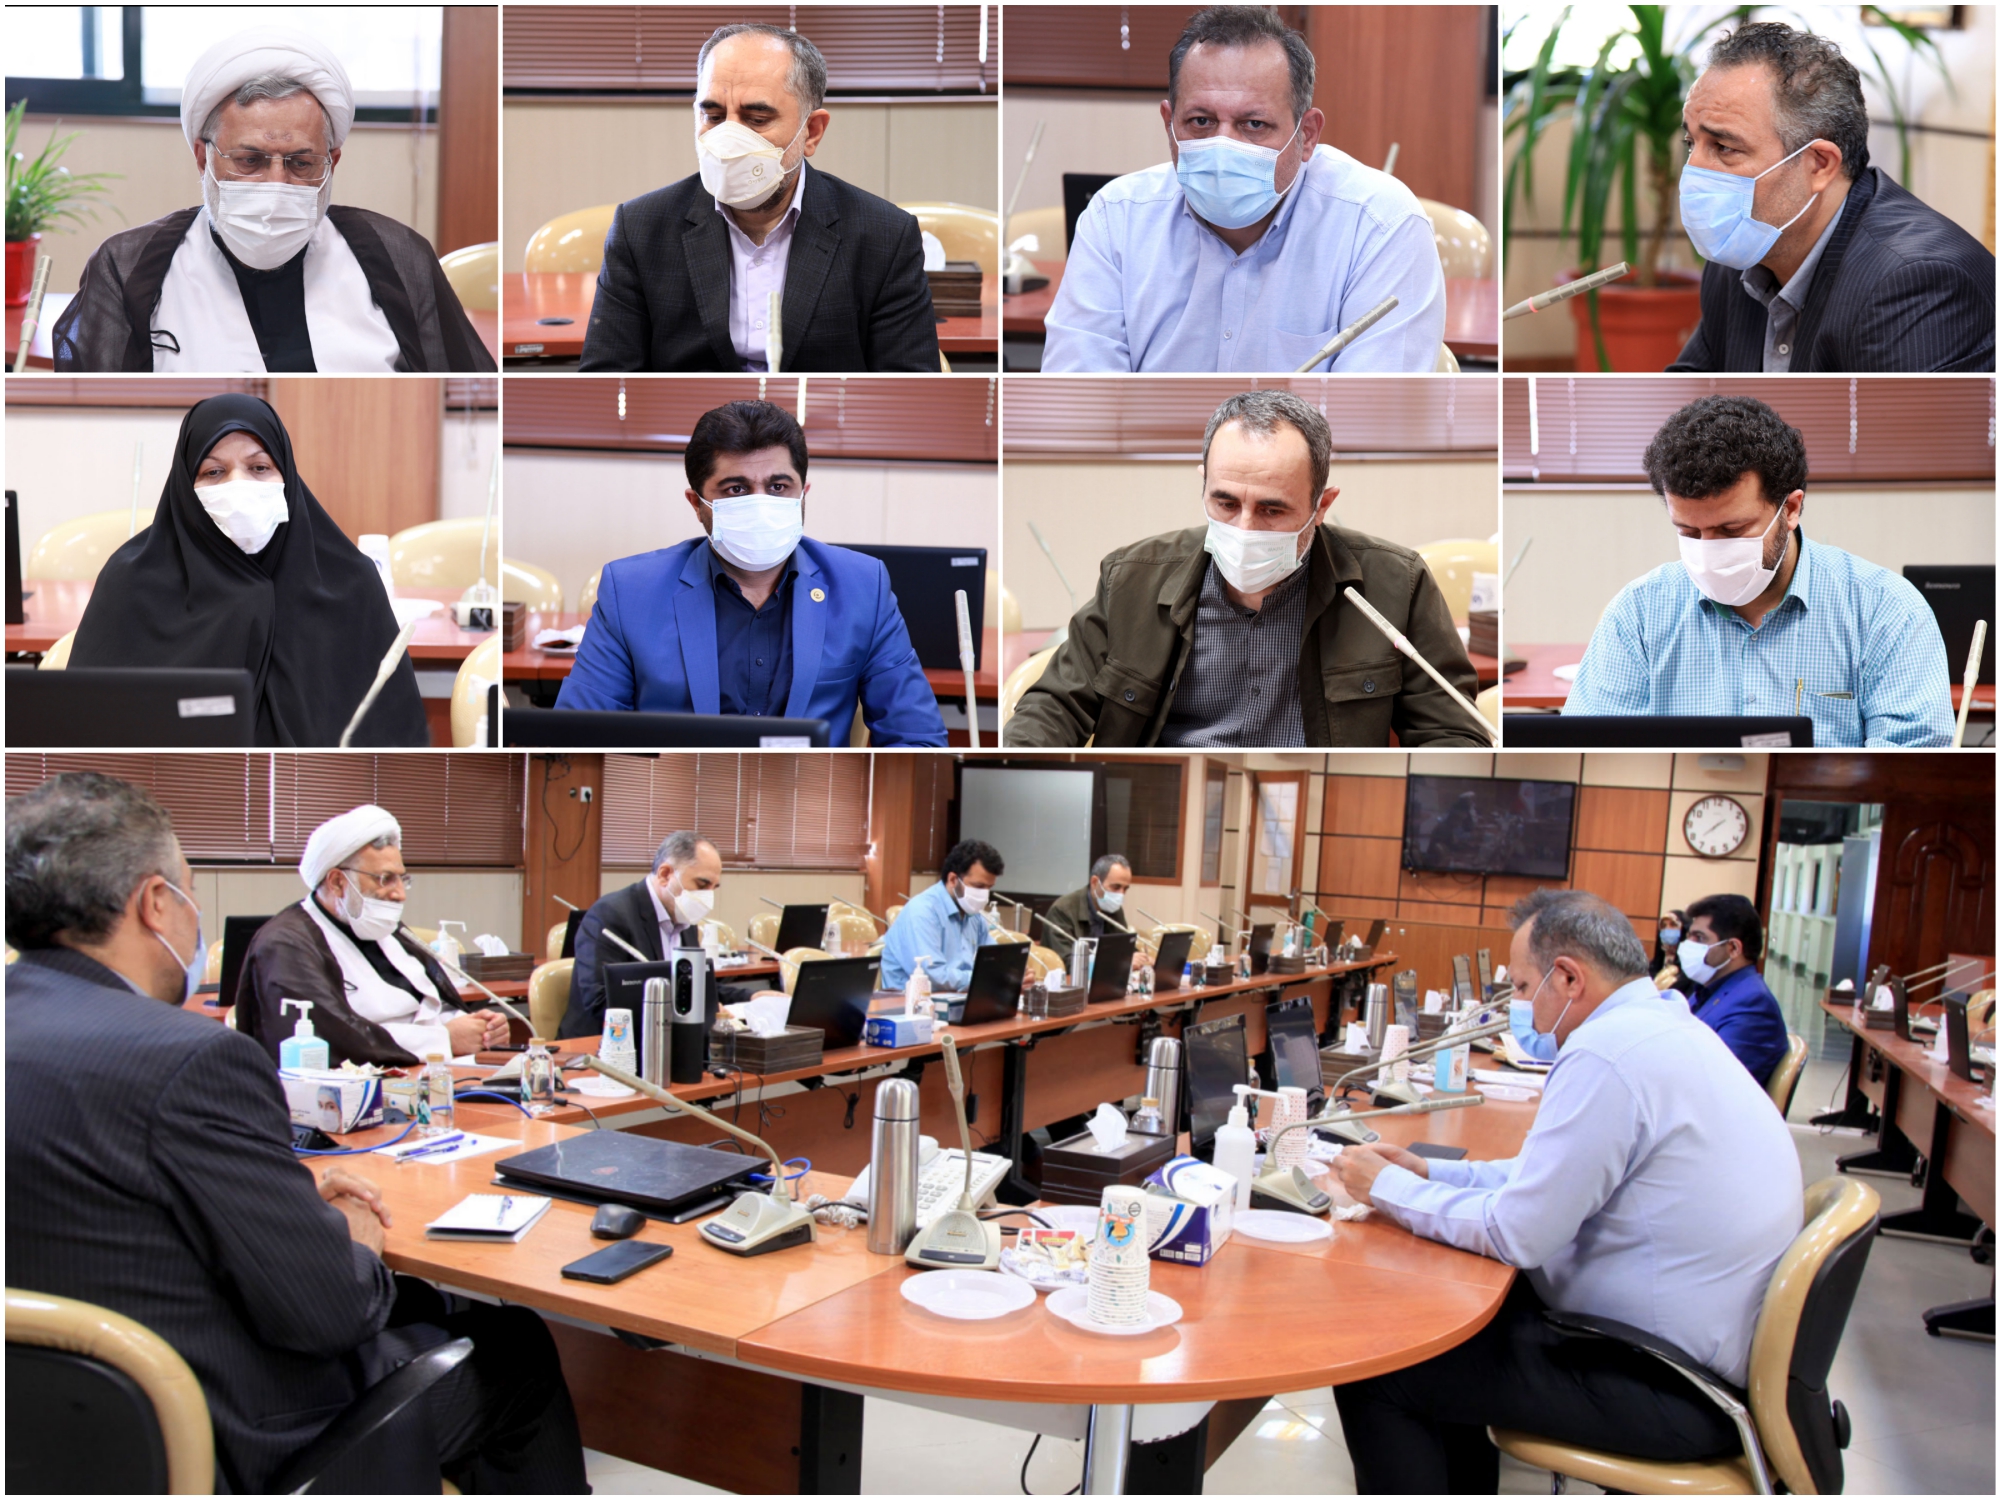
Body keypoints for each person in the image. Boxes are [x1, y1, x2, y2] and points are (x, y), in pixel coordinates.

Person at [5, 771, 586, 1493]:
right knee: (515, 1348)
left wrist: (280, 1196)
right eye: (191, 890)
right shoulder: (190, 1059)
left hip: (45, 1434)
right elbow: (333, 1311)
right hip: (219, 1432)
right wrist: (349, 1233)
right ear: (156, 903)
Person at [1329, 889, 1802, 1493]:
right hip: (1684, 1356)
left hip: (1671, 1384)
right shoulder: (1660, 1025)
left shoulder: (1609, 1054)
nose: (1521, 1006)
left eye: (1524, 988)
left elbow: (1517, 1233)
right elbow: (1547, 1176)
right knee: (1442, 1320)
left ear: (1570, 978)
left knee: (1378, 1366)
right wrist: (1430, 1173)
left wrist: (1387, 1188)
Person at [1004, 390, 1483, 747]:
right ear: (1204, 485)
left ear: (1322, 505)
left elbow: (1453, 733)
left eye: (1272, 510)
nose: (1245, 528)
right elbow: (1053, 705)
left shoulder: (1396, 584)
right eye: (1226, 503)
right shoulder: (1132, 578)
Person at [52, 27, 494, 373]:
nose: (276, 184)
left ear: (333, 162)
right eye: (250, 161)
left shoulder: (396, 256)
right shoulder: (129, 267)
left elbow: (464, 378)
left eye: (301, 163)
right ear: (203, 158)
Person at [1042, 6, 1444, 373]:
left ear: (1306, 135)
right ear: (1169, 124)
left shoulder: (1380, 225)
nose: (1223, 147)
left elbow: (1372, 413)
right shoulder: (1115, 217)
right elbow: (1078, 397)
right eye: (1201, 121)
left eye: (1254, 125)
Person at [1563, 395, 1953, 746]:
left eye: (1732, 530)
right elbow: (1591, 745)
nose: (1709, 552)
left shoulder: (1885, 610)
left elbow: (1911, 759)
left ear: (1791, 508)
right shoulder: (1638, 614)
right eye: (1689, 532)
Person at [555, 399, 947, 746]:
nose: (761, 504)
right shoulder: (630, 591)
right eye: (736, 489)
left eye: (778, 487)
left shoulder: (862, 587)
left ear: (803, 495)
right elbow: (579, 736)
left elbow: (917, 737)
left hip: (806, 789)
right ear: (697, 503)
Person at [68, 393, 429, 747]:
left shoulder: (350, 583)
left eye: (259, 468)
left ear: (286, 475)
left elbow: (393, 736)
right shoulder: (132, 583)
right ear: (185, 486)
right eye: (214, 471)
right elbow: (86, 727)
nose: (237, 486)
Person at [579, 23, 940, 372]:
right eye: (713, 116)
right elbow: (607, 376)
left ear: (812, 132)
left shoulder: (885, 236)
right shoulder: (639, 229)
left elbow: (910, 381)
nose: (728, 140)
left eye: (755, 119)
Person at [1668, 22, 1993, 374]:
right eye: (1691, 143)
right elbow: (1691, 389)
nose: (1693, 170)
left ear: (1820, 165)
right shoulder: (1741, 247)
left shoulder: (1915, 282)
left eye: (1724, 147)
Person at [236, 805, 509, 1068]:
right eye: (385, 879)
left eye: (402, 879)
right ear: (337, 882)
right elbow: (331, 1037)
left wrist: (480, 1028)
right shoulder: (287, 944)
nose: (400, 894)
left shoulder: (381, 926)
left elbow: (430, 1003)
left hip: (433, 1069)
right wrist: (443, 1040)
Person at [563, 830, 745, 1041]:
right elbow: (601, 1001)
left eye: (714, 888)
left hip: (668, 1039)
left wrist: (752, 995)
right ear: (665, 874)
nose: (707, 897)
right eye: (702, 885)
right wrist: (696, 1008)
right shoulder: (610, 915)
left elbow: (697, 986)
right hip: (606, 1043)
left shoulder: (685, 918)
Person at [1678, 893, 1791, 1086]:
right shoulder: (1709, 990)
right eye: (1689, 936)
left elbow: (1716, 1080)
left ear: (1733, 948)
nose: (1689, 945)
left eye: (1700, 938)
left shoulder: (1753, 1005)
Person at [878, 839, 1004, 991]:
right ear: (953, 880)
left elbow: (994, 961)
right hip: (910, 1001)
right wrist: (986, 978)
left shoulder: (973, 914)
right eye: (979, 886)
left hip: (957, 998)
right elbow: (934, 977)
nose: (984, 895)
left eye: (989, 887)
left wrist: (1011, 974)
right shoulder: (923, 911)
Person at [1045, 855, 1133, 947]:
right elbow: (1065, 955)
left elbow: (1124, 947)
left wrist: (1135, 954)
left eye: (1125, 889)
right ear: (1094, 882)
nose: (1121, 894)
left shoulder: (1114, 909)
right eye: (1115, 887)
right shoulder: (1062, 910)